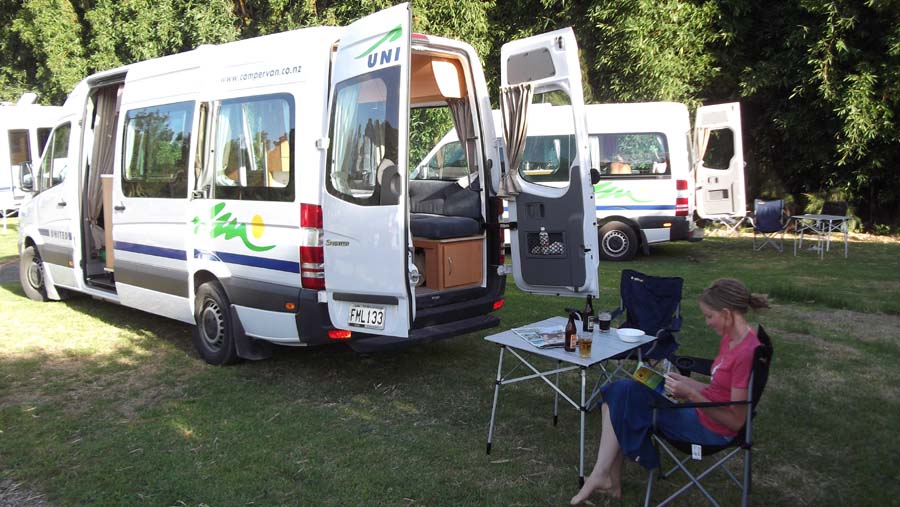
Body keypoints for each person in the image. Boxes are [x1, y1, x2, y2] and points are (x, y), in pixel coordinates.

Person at [571, 278, 770, 504]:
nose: (707, 322)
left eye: (709, 316)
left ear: (726, 313)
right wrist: (688, 384)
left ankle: (604, 477)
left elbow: (734, 422)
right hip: (701, 411)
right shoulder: (733, 339)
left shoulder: (745, 353)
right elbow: (719, 390)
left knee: (619, 395)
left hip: (709, 429)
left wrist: (691, 394)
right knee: (617, 393)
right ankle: (608, 479)